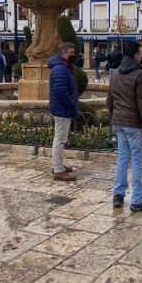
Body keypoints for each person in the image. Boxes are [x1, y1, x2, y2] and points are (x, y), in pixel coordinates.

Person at [106, 41, 142, 211]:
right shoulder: (140, 74)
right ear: (135, 55)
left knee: (122, 157)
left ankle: (118, 195)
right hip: (133, 123)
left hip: (118, 121)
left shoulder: (115, 73)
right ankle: (136, 199)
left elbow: (109, 99)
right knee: (136, 159)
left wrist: (113, 117)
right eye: (140, 53)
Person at [48, 43, 79, 182]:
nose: (74, 55)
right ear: (63, 53)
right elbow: (60, 91)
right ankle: (58, 170)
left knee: (60, 138)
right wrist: (71, 104)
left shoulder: (64, 67)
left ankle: (58, 164)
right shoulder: (60, 69)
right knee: (60, 138)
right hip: (62, 108)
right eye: (71, 53)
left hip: (62, 108)